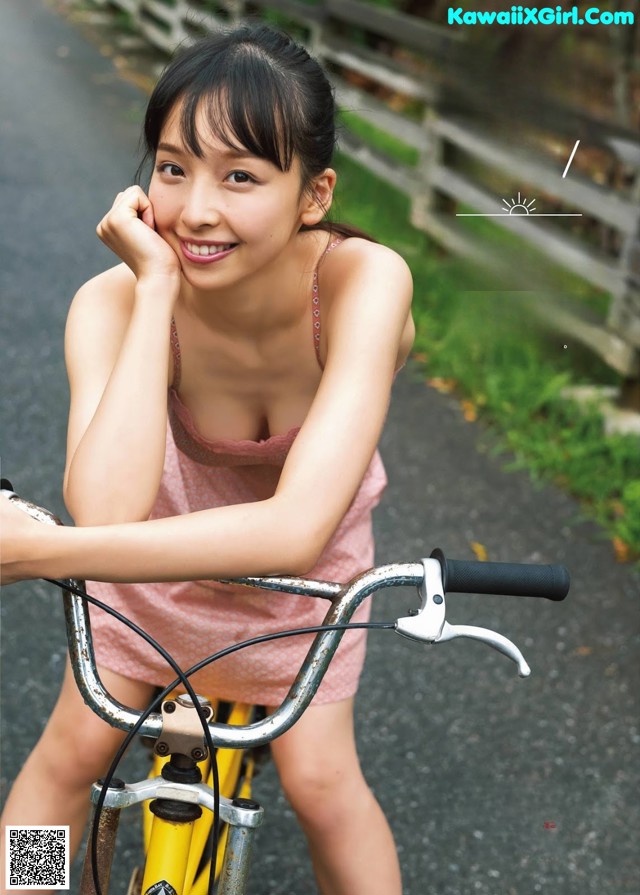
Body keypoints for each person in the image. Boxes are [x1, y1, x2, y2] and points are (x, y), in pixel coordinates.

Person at [1, 22, 413, 895]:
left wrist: (40, 552)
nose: (194, 209)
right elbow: (108, 508)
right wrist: (155, 291)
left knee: (323, 785)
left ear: (314, 192)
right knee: (66, 759)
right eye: (173, 166)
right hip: (148, 564)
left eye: (241, 177)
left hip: (304, 589)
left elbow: (298, 530)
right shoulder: (110, 301)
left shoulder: (361, 283)